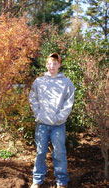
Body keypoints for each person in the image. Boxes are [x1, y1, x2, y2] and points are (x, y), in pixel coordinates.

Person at [29, 53, 75, 188]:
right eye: (50, 63)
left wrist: (60, 117)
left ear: (59, 65)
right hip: (42, 124)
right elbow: (33, 98)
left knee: (59, 152)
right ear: (46, 64)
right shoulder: (39, 82)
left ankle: (61, 182)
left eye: (55, 63)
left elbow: (69, 102)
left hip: (58, 126)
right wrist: (38, 114)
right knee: (40, 152)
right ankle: (37, 180)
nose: (52, 66)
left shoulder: (66, 83)